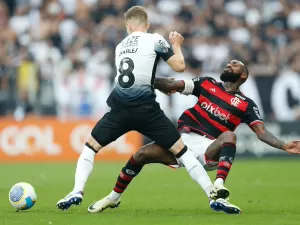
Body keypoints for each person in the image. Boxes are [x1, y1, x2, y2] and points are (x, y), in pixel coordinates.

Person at [57, 6, 219, 211]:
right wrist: (177, 45)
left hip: (120, 110)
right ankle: (213, 195)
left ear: (128, 26)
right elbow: (179, 66)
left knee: (90, 148)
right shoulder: (155, 39)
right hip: (146, 110)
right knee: (182, 152)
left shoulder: (120, 46)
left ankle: (77, 191)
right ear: (147, 24)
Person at [88, 60, 300, 214]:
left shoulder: (246, 104)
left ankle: (218, 186)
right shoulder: (207, 84)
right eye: (228, 63)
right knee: (141, 154)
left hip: (208, 148)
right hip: (181, 140)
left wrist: (283, 146)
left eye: (235, 64)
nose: (229, 65)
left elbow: (261, 132)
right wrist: (146, 79)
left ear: (243, 75)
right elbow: (174, 86)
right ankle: (113, 198)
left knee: (229, 136)